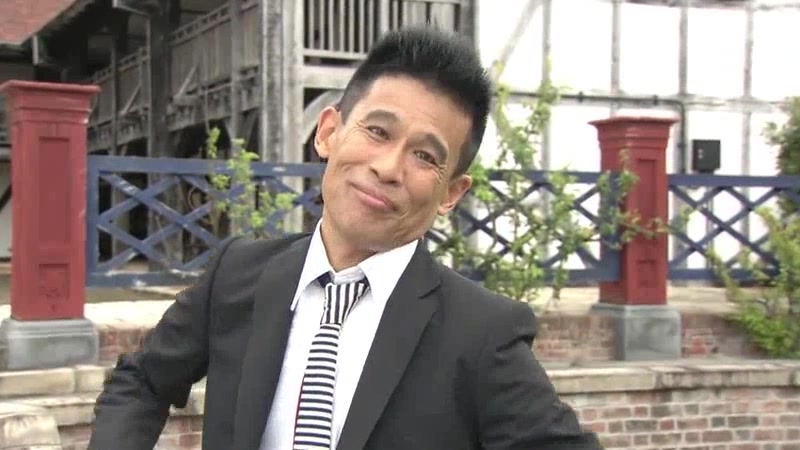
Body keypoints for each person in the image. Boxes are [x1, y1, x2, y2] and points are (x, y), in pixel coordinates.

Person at [88, 26, 603, 450]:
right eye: (377, 132)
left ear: (451, 192)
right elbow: (141, 381)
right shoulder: (237, 274)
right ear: (329, 132)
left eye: (425, 156)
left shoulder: (482, 333)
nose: (388, 168)